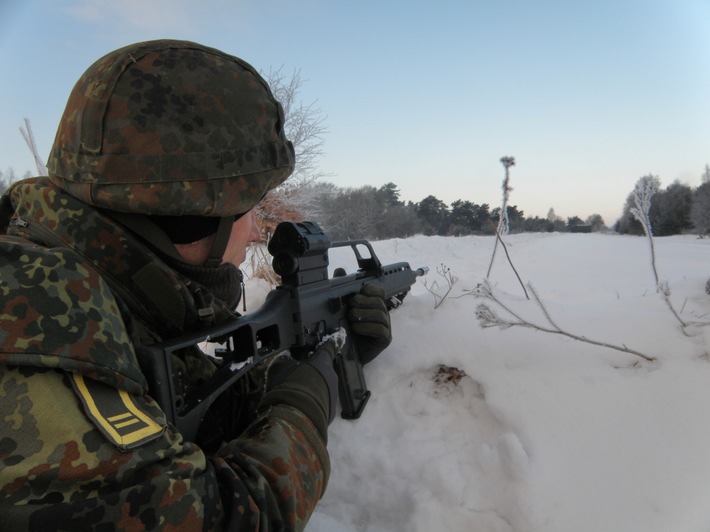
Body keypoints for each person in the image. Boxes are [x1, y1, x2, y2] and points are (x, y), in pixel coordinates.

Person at [0, 39, 392, 531]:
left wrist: (326, 353)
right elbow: (223, 518)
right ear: (185, 214)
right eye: (247, 209)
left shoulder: (106, 286)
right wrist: (309, 400)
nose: (255, 231)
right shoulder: (36, 320)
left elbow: (188, 403)